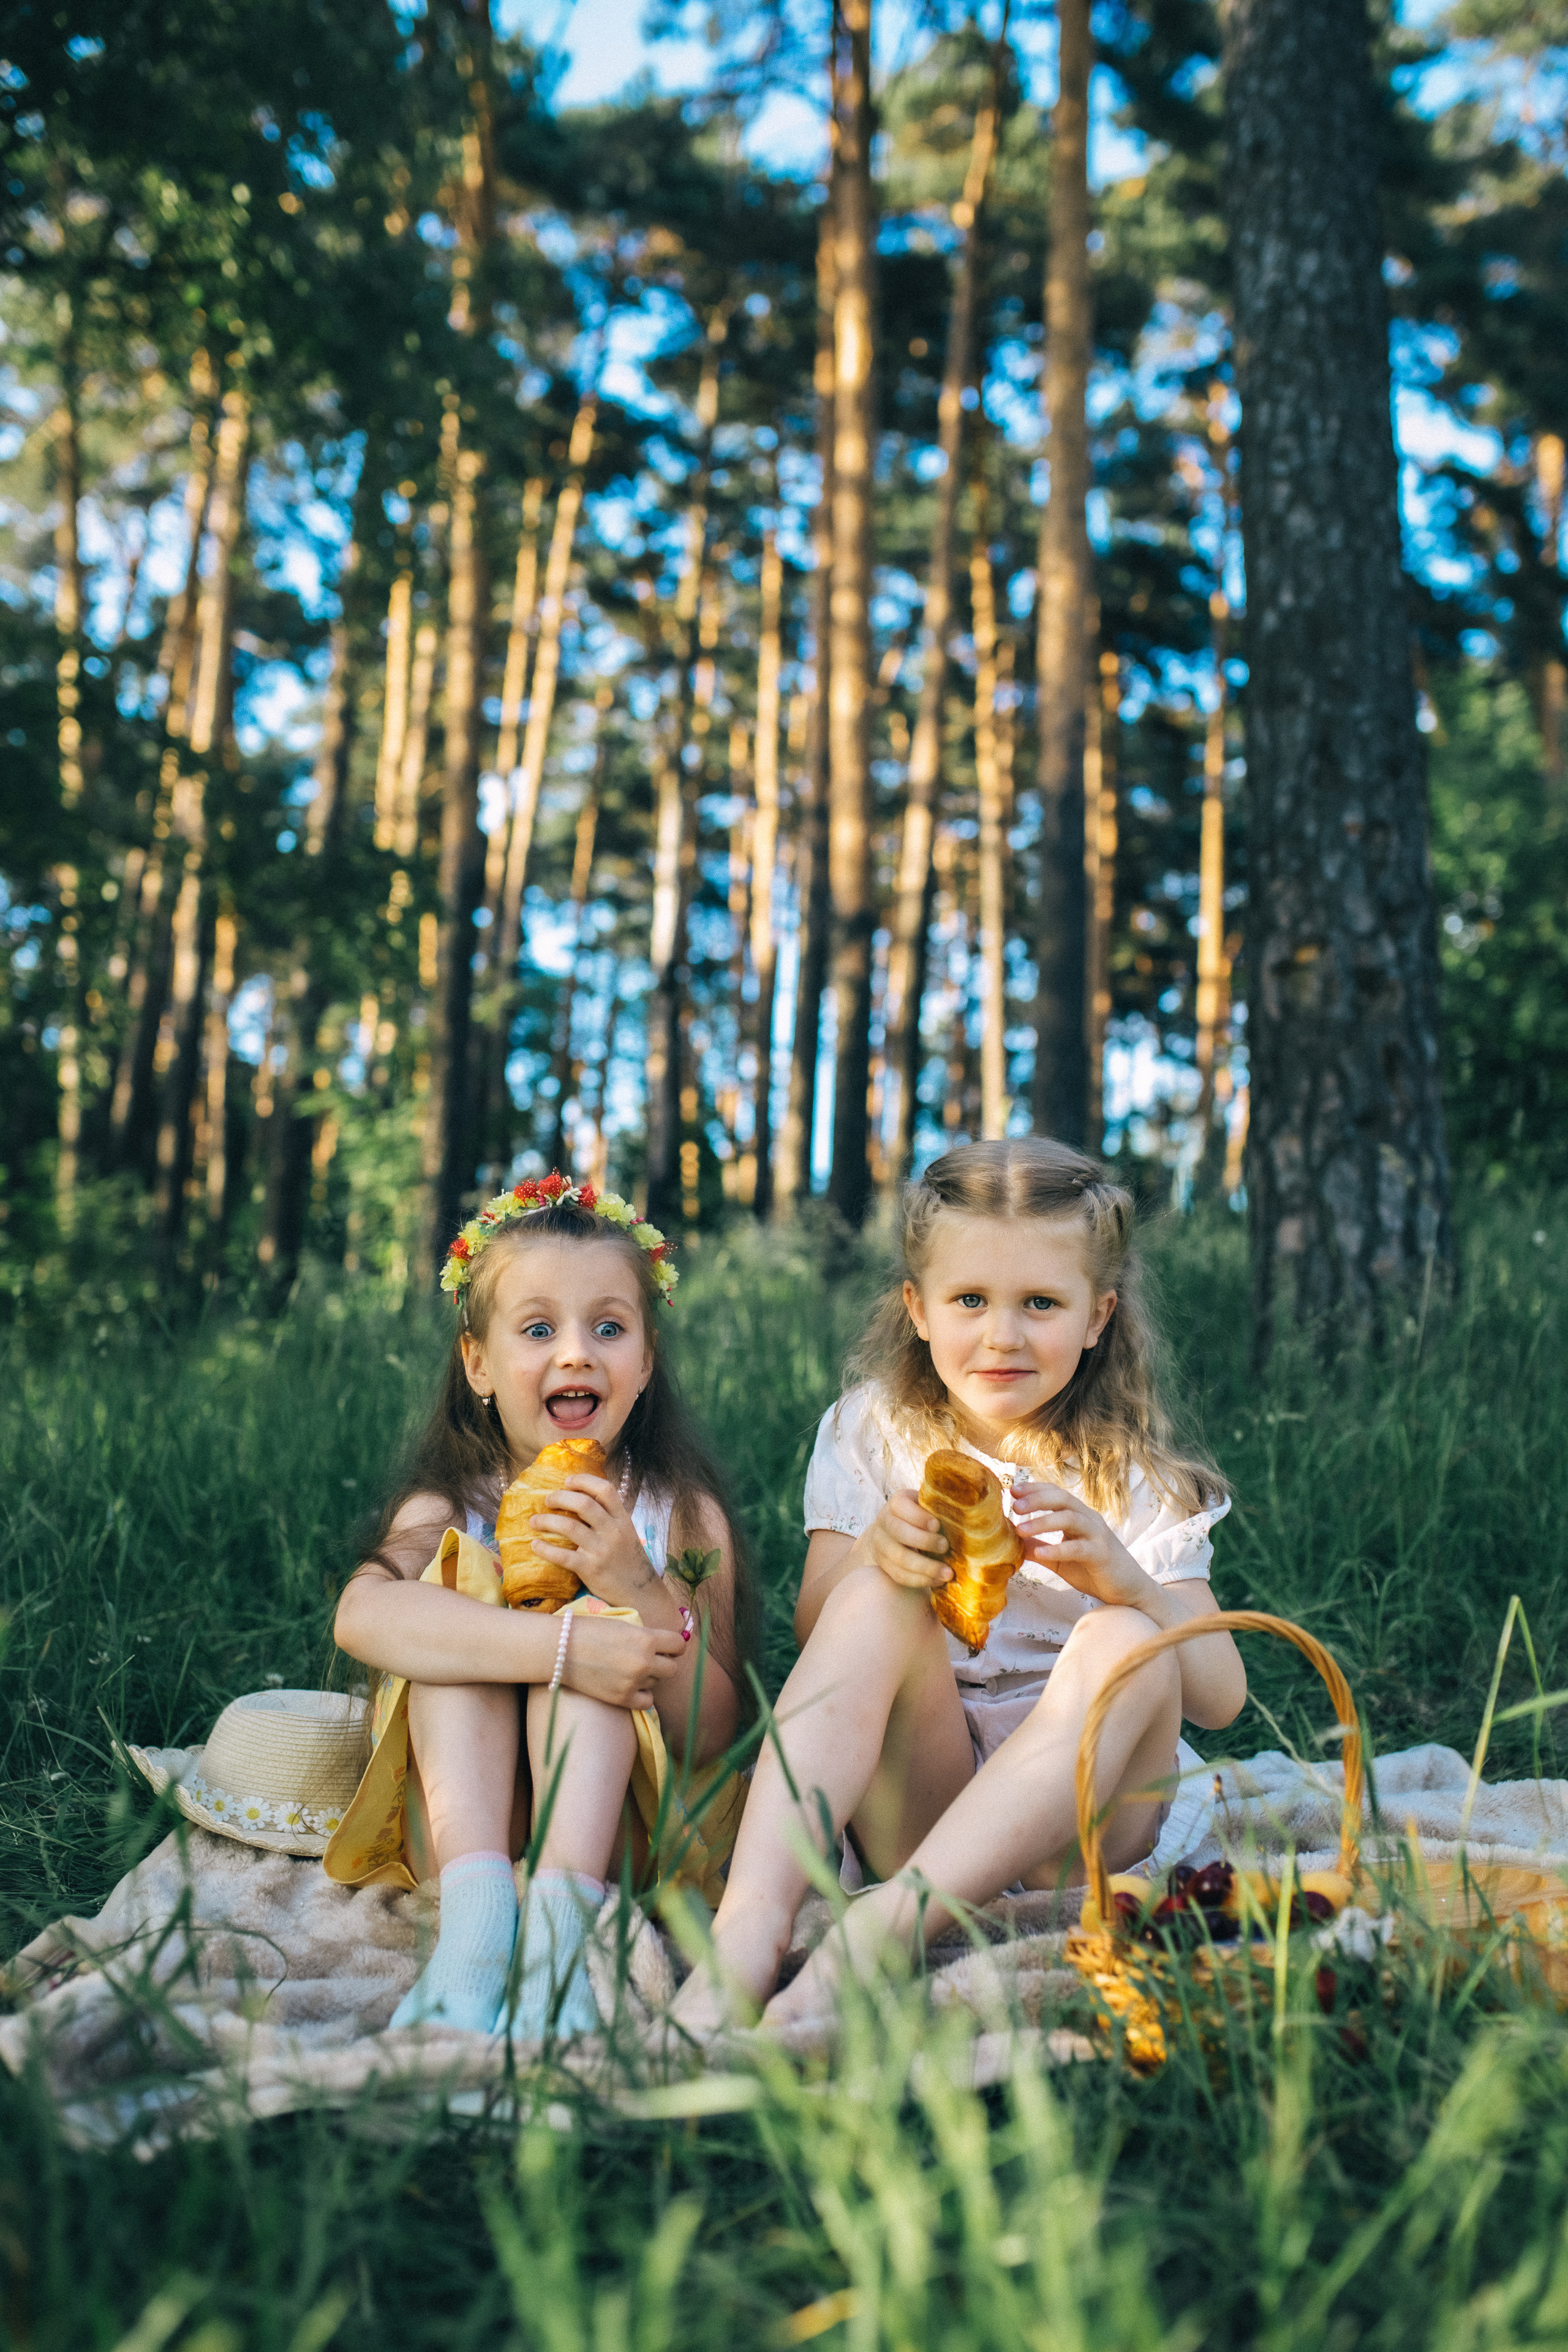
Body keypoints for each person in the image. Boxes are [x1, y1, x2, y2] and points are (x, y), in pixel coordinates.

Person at [673, 1136, 1246, 2033]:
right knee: (870, 1598)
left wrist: (1128, 1582)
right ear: (920, 1308)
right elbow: (817, 1621)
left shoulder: (1135, 1477)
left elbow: (1220, 1696)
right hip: (923, 1806)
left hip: (1083, 1834)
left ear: (1098, 1316)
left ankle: (883, 1936)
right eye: (970, 1300)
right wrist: (874, 1554)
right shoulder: (875, 1432)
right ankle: (752, 1923)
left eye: (1041, 1303)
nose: (1003, 1335)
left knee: (1128, 1641)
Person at [330, 1174, 755, 2038]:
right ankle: (477, 1938)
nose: (576, 1353)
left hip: (625, 1841)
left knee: (594, 1615)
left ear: (645, 1360)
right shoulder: (453, 1502)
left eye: (609, 1327)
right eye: (537, 1329)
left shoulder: (677, 1515)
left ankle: (562, 1942)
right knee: (450, 1605)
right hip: (466, 1828)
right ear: (479, 1363)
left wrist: (635, 1590)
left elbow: (716, 1732)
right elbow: (362, 1619)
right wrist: (557, 1652)